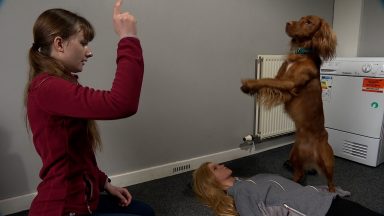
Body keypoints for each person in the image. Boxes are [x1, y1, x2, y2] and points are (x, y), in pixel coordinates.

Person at [25, 0, 154, 215]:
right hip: (62, 207)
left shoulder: (60, 83)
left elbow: (77, 153)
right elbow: (122, 103)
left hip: (84, 196)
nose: (89, 52)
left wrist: (104, 183)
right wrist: (128, 38)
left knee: (144, 211)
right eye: (83, 43)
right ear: (59, 44)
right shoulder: (48, 88)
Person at [192, 162, 383, 216]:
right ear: (212, 182)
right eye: (215, 168)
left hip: (322, 199)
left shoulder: (245, 182)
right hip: (317, 210)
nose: (221, 164)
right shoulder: (242, 193)